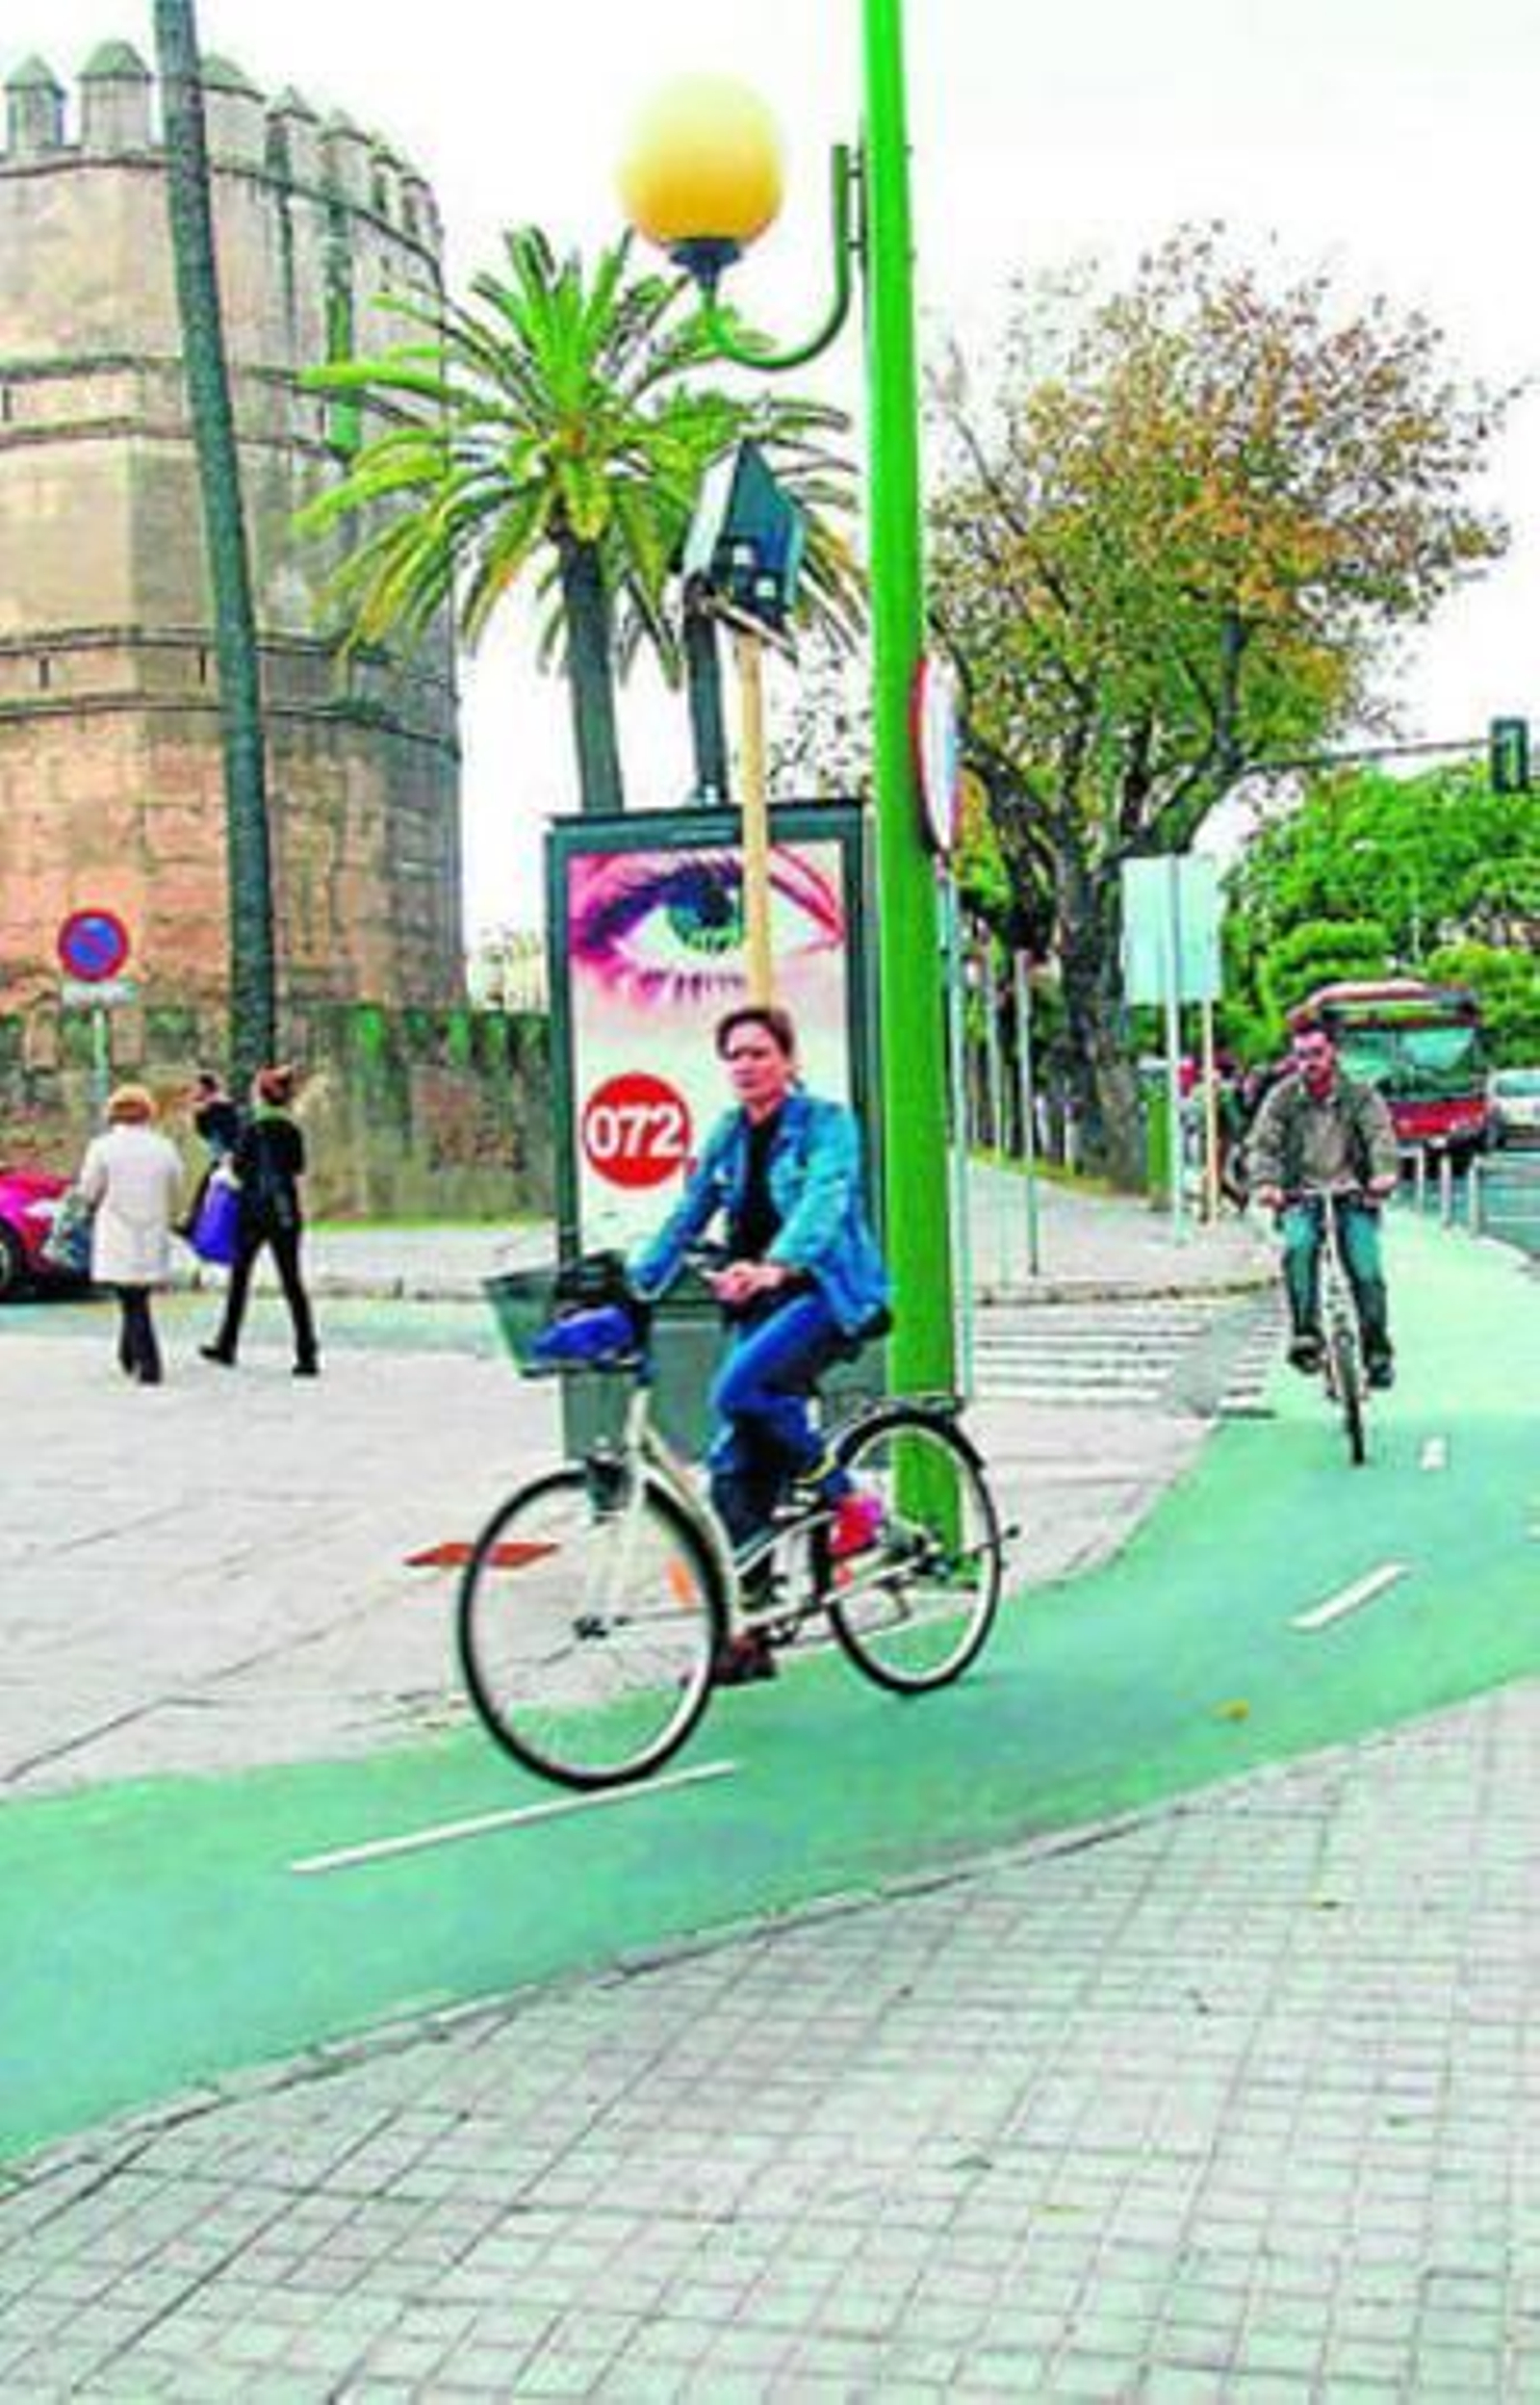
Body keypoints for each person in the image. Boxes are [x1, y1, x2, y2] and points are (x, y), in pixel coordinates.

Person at [628, 1004, 890, 1678]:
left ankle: (847, 1498)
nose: (745, 1065)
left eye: (759, 1052)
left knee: (740, 1390)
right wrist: (636, 1283)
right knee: (736, 1468)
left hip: (824, 1296)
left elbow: (824, 1203)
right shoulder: (727, 1135)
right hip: (756, 1307)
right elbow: (687, 1214)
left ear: (789, 1060)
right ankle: (746, 1638)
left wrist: (777, 1264)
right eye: (734, 1055)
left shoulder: (827, 1126)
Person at [1247, 1011, 1399, 1388]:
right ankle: (1306, 1335)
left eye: (1316, 1054)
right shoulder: (1281, 1098)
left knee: (1367, 1271)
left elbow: (1380, 1136)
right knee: (1298, 1250)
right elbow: (1263, 1144)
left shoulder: (1360, 1096)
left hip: (1354, 1196)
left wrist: (1383, 1174)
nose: (1309, 1064)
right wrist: (1268, 1184)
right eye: (1301, 1056)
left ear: (1333, 1053)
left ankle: (1377, 1352)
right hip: (1301, 1196)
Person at [200, 1064, 320, 1377]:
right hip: (285, 1213)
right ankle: (307, 1353)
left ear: (262, 1097)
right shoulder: (292, 1130)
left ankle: (227, 1345)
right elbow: (297, 1168)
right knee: (293, 1283)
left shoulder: (252, 1130)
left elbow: (238, 1169)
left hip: (253, 1213)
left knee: (239, 1281)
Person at [76, 1084, 184, 1386]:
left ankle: (149, 1365)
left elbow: (87, 1190)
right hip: (152, 1228)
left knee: (131, 1298)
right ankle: (128, 1354)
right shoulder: (164, 1147)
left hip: (117, 1230)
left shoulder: (102, 1146)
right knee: (136, 1295)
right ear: (148, 1112)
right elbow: (176, 1183)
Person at [178, 1069, 243, 1239]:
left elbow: (226, 1130)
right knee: (208, 1189)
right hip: (224, 1156)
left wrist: (195, 1109)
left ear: (206, 1087)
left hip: (229, 1156)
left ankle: (191, 1226)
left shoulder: (219, 1103)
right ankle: (192, 1225)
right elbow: (203, 1131)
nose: (195, 1091)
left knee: (207, 1189)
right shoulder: (212, 1105)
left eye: (197, 1087)